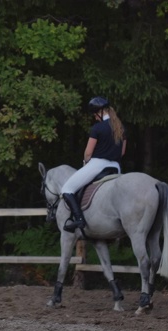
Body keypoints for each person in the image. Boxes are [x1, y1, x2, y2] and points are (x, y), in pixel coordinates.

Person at [60, 96, 126, 232]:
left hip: (98, 165)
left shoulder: (98, 128)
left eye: (95, 114)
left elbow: (88, 152)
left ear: (101, 112)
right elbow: (122, 152)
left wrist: (86, 163)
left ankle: (79, 220)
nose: (95, 117)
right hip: (116, 167)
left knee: (67, 189)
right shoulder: (121, 128)